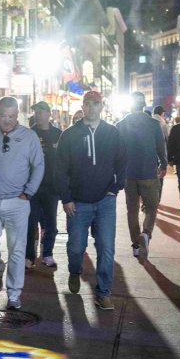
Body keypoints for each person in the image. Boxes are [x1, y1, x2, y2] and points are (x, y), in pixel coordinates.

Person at [0, 96, 44, 310]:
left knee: (18, 249)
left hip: (17, 202)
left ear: (18, 114)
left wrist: (29, 192)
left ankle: (14, 293)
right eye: (3, 116)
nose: (7, 120)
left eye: (12, 116)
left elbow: (38, 165)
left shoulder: (29, 137)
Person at [57, 91, 126, 310]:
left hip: (105, 201)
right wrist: (66, 198)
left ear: (101, 106)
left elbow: (122, 162)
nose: (92, 108)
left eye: (96, 104)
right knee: (76, 247)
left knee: (106, 247)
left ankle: (103, 292)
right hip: (78, 202)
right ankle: (75, 270)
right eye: (88, 104)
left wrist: (116, 187)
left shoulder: (112, 133)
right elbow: (60, 170)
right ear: (83, 106)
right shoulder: (69, 135)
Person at [116, 92, 167, 264]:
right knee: (151, 207)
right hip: (148, 173)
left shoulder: (121, 125)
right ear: (144, 105)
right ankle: (146, 233)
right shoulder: (153, 124)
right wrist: (164, 164)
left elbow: (117, 151)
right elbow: (161, 146)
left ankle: (136, 245)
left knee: (132, 209)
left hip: (128, 174)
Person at [26, 101, 63, 268]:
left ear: (49, 114)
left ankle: (47, 253)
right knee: (30, 221)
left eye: (41, 112)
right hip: (32, 186)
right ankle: (29, 256)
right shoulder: (28, 134)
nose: (38, 115)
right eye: (36, 112)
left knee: (50, 223)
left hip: (52, 186)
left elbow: (65, 160)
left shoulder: (59, 134)